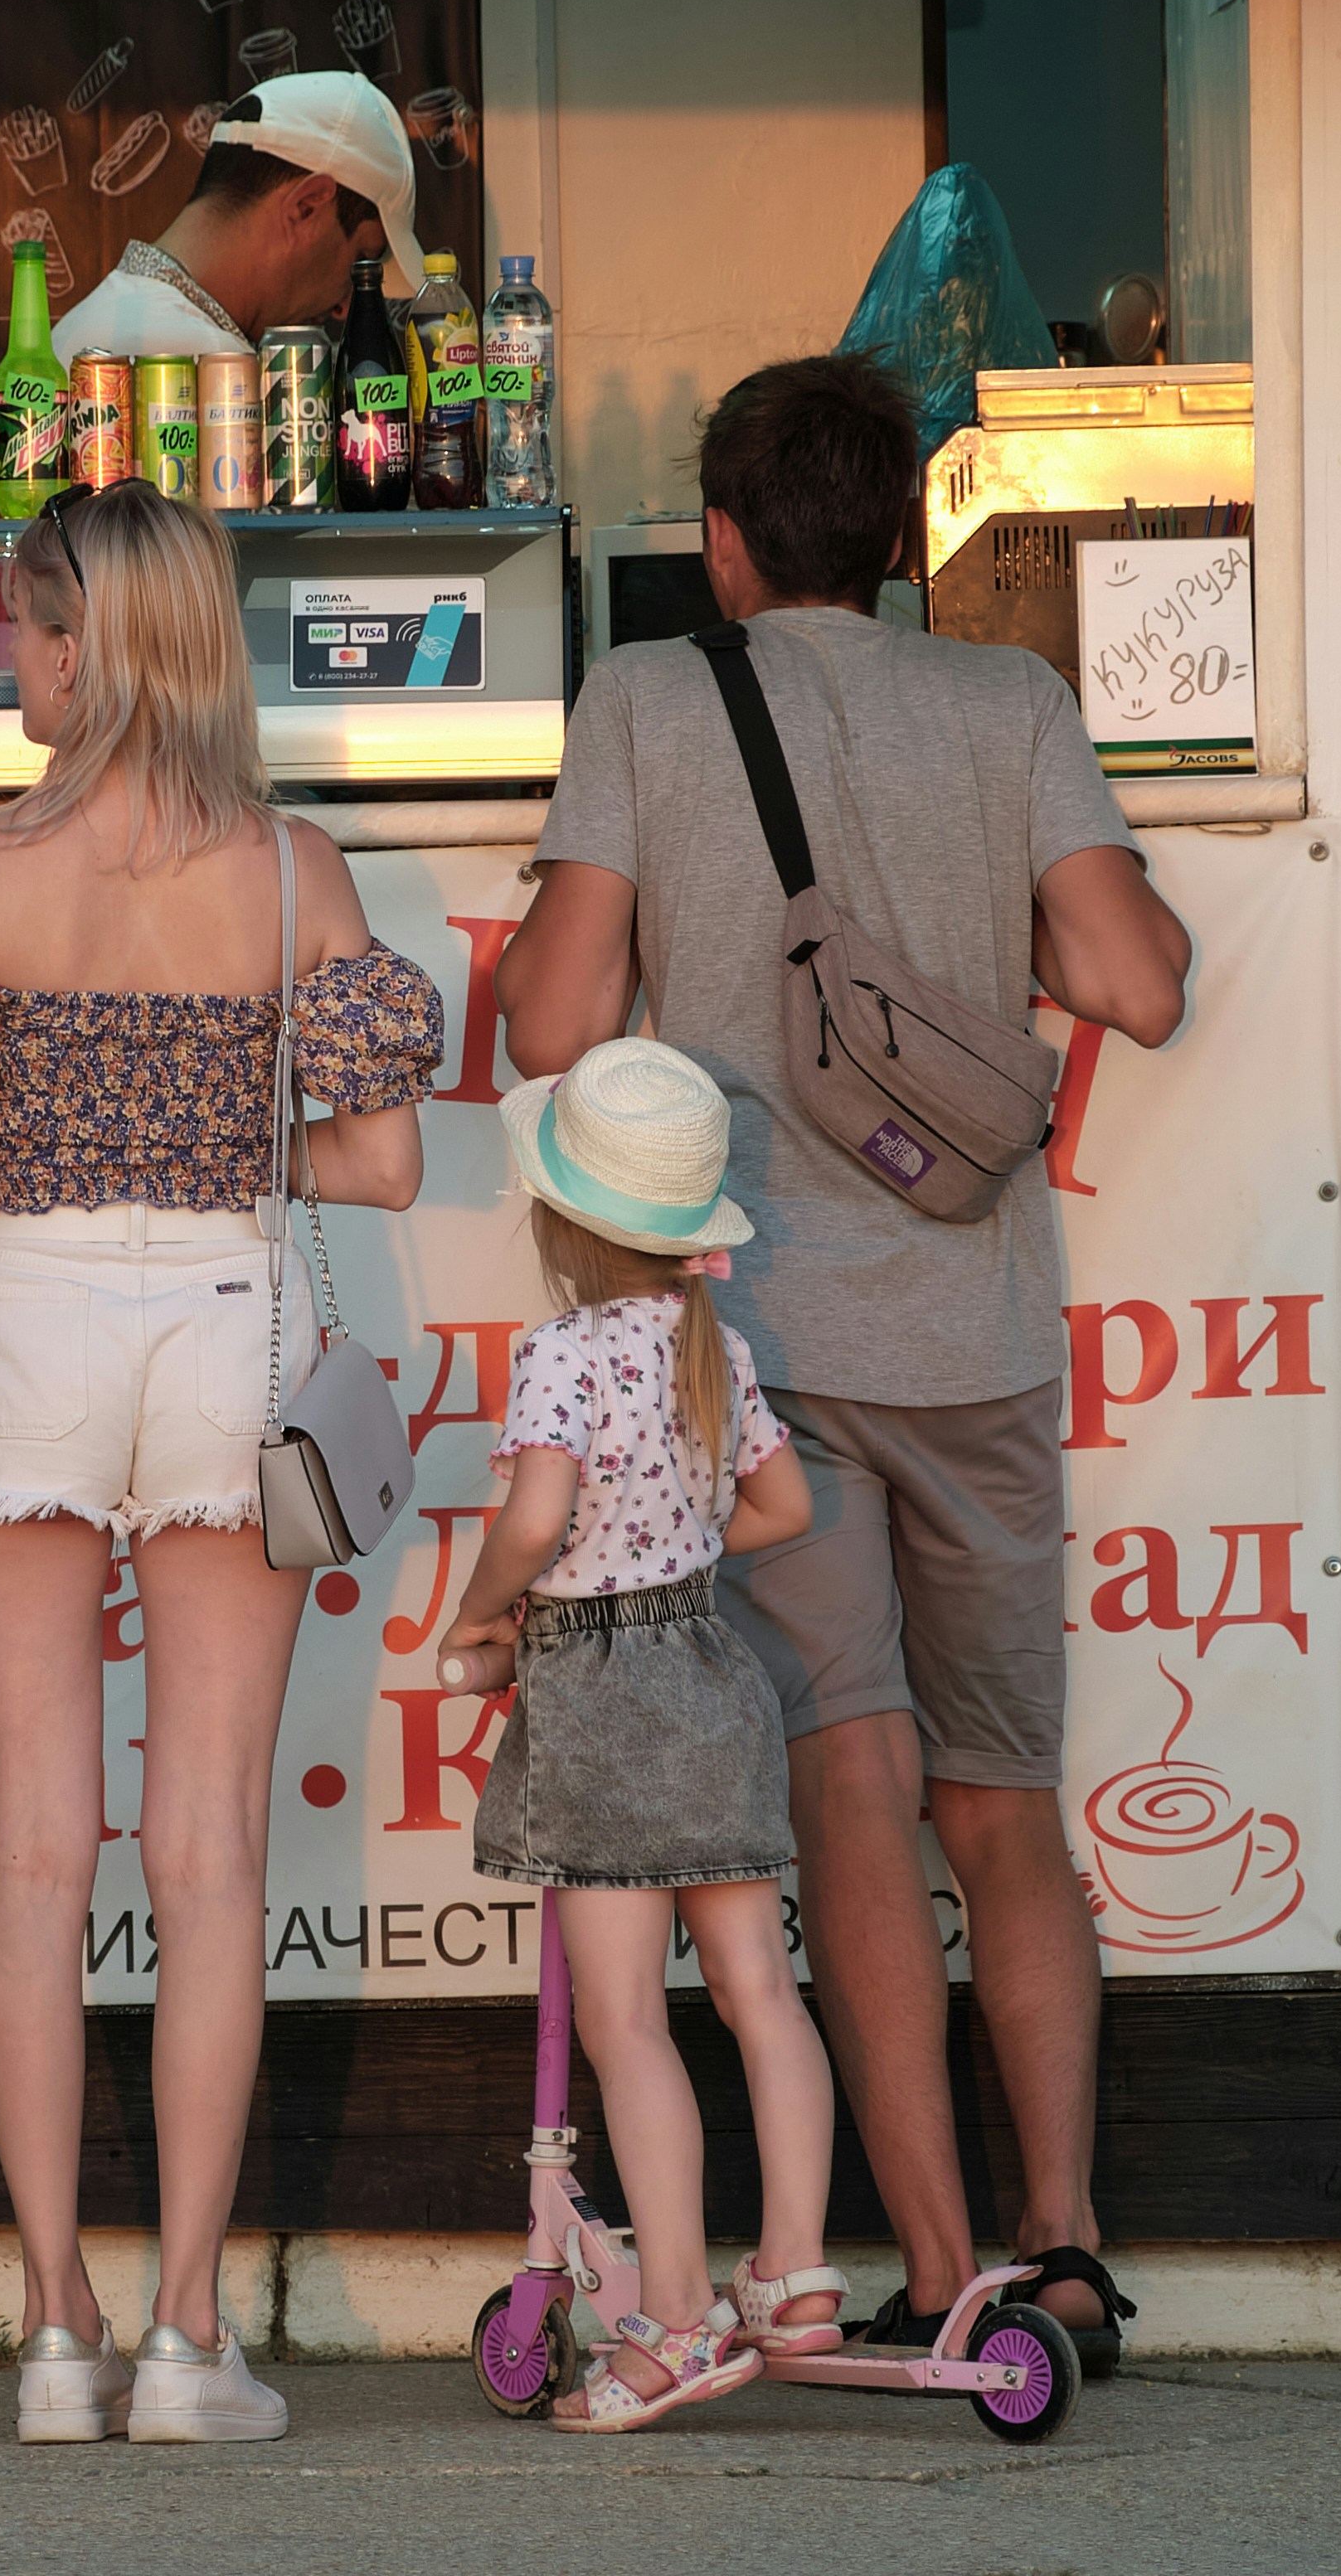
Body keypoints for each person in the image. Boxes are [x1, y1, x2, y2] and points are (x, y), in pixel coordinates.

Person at [498, 351, 1191, 2371]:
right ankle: (1064, 2248)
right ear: (900, 546)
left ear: (717, 543)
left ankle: (939, 2265)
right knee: (1004, 1801)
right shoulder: (1011, 701)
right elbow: (1131, 980)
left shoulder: (644, 697)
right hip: (973, 1327)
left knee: (853, 1793)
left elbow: (552, 1022)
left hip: (760, 1362)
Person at [0, 480, 440, 2441]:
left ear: (90, 647)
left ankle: (51, 2327)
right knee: (211, 1849)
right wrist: (205, 1130)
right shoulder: (290, 873)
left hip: (22, 1318)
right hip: (223, 1327)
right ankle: (188, 2334)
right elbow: (380, 1159)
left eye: (20, 622)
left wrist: (34, 1113)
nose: (3, 650)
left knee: (30, 1845)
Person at [434, 1036, 839, 2430]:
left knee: (625, 2018)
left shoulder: (560, 1351)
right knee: (760, 1993)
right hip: (711, 1673)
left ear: (557, 1218)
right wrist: (678, 1547)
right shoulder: (709, 1343)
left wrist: (482, 1615)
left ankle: (673, 2316)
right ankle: (794, 2270)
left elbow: (537, 1519)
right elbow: (781, 1513)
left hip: (603, 1701)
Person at [43, 71, 415, 358]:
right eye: (361, 259)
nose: (344, 307)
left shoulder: (92, 324)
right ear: (307, 206)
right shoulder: (195, 360)